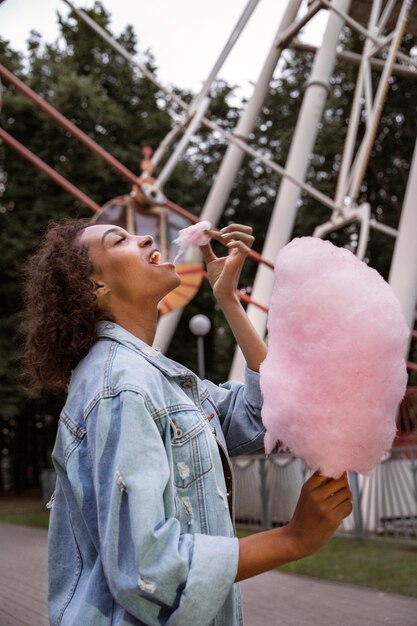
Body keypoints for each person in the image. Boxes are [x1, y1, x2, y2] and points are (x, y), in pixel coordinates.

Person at [22, 219, 352, 626]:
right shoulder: (121, 385)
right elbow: (149, 569)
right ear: (96, 286)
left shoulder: (159, 378)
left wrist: (228, 299)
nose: (144, 236)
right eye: (119, 240)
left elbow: (262, 412)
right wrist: (293, 538)